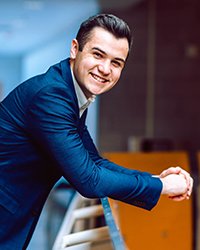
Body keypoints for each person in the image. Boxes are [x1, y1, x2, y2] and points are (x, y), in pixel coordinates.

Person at [0, 14, 193, 249]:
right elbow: (89, 180)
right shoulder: (52, 96)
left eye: (116, 62)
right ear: (75, 49)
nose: (105, 69)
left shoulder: (70, 93)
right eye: (98, 54)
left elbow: (94, 162)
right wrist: (164, 187)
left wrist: (155, 180)